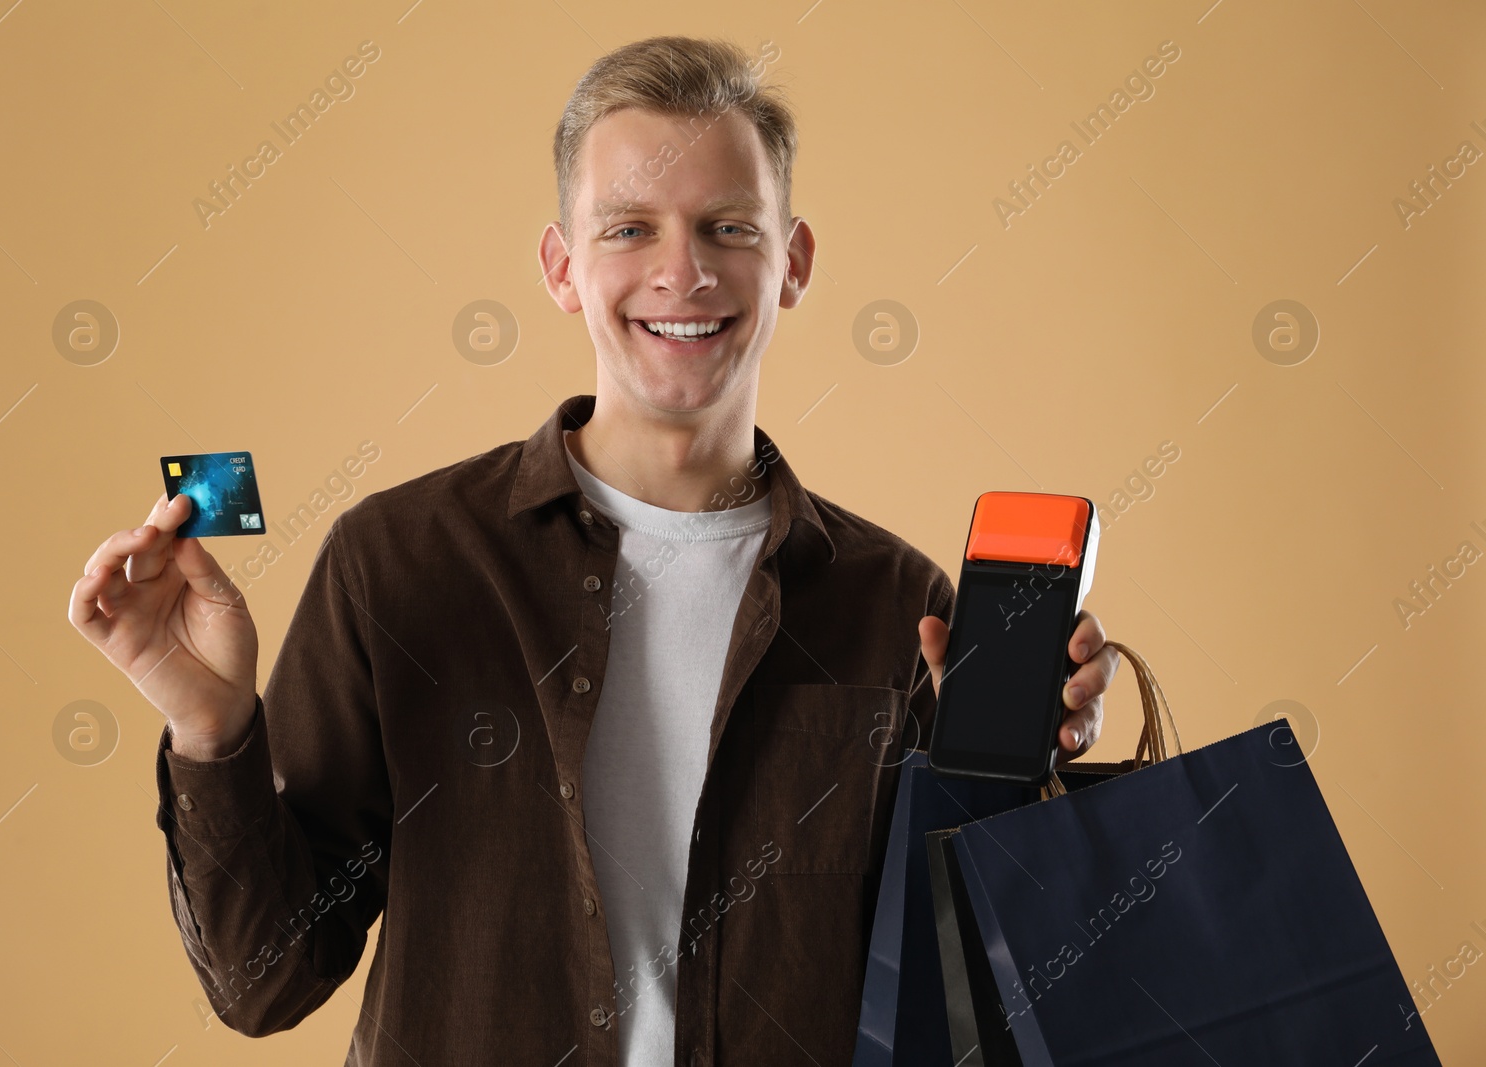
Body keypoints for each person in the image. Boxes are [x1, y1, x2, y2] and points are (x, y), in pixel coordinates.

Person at [67, 35, 1119, 1067]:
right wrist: (211, 730)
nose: (683, 271)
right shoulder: (396, 563)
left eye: (727, 227)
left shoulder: (894, 599)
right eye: (628, 228)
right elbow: (264, 978)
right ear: (562, 268)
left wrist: (1025, 774)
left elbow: (970, 993)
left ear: (791, 262)